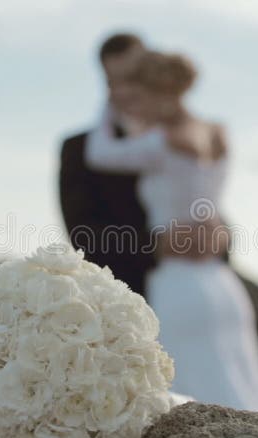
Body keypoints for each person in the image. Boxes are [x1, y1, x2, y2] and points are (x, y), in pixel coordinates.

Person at [83, 49, 258, 413]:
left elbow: (99, 153)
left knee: (191, 394)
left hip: (178, 282)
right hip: (221, 282)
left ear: (159, 95)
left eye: (138, 96)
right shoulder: (216, 133)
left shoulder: (162, 142)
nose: (132, 104)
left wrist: (108, 107)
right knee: (241, 382)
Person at [58, 33, 225, 298]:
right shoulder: (78, 149)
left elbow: (205, 206)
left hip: (197, 279)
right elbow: (83, 235)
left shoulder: (185, 139)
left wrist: (221, 236)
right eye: (113, 82)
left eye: (133, 78)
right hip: (123, 296)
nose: (125, 91)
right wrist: (157, 245)